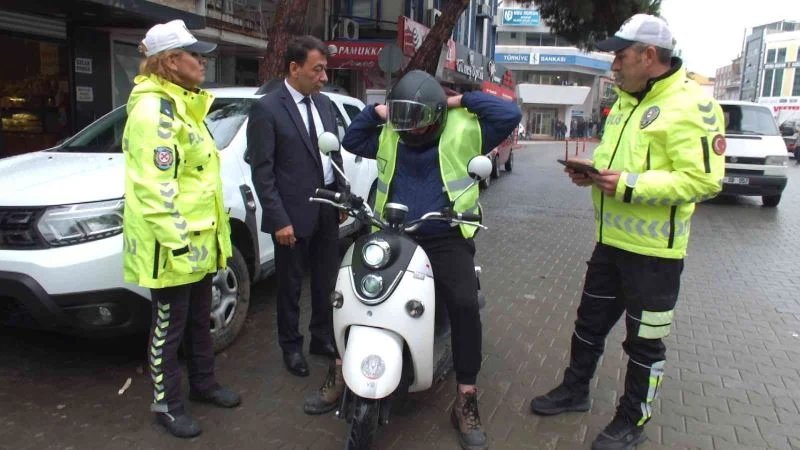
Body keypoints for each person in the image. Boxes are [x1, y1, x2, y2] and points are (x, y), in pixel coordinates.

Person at [528, 14, 725, 450]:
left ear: (648, 56)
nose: (614, 64)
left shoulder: (694, 105)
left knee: (644, 345)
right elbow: (612, 153)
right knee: (588, 326)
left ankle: (631, 420)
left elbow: (705, 181)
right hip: (610, 243)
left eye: (620, 55)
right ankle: (575, 391)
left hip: (656, 257)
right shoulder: (624, 100)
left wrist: (630, 185)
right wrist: (591, 172)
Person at [303, 70, 521, 450]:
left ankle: (466, 396)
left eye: (419, 121)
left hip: (445, 233)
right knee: (349, 294)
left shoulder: (465, 126)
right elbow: (353, 140)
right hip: (390, 230)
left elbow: (508, 116)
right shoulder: (395, 128)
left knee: (465, 304)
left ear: (437, 114)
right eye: (405, 121)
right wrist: (382, 112)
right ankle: (340, 370)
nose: (411, 130)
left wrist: (458, 101)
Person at [122, 19, 241, 439]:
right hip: (173, 248)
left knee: (198, 322)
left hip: (198, 242)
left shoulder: (184, 105)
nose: (203, 62)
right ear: (172, 62)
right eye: (196, 55)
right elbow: (155, 189)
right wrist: (178, 246)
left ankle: (204, 385)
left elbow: (198, 181)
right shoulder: (154, 112)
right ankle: (167, 405)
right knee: (168, 328)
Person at [247, 35, 346, 378]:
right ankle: (291, 346)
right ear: (294, 68)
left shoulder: (324, 105)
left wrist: (341, 197)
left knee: (325, 280)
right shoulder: (267, 108)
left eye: (325, 70)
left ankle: (322, 336)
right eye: (317, 70)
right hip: (291, 216)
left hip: (327, 210)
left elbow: (333, 154)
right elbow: (262, 171)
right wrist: (278, 219)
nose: (324, 77)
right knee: (290, 286)